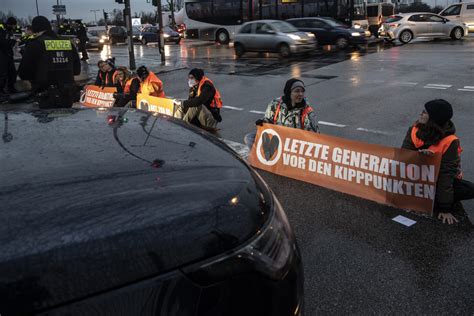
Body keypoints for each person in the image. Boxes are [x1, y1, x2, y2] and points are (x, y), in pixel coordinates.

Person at [402, 99, 474, 224]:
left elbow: (446, 175)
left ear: (434, 119)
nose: (420, 113)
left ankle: (434, 201)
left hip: (438, 180)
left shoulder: (450, 141)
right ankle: (426, 199)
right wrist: (418, 157)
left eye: (425, 112)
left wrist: (445, 208)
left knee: (469, 189)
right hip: (417, 178)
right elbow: (403, 157)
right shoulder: (413, 130)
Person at [18, 16, 81, 109]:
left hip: (44, 96)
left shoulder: (35, 44)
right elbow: (76, 70)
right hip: (67, 95)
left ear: (35, 29)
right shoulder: (67, 43)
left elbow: (23, 73)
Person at [244, 78, 319, 147]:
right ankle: (263, 158)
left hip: (295, 145)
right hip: (277, 140)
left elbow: (314, 135)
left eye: (302, 91)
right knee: (249, 138)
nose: (300, 94)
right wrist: (262, 122)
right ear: (289, 92)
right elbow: (269, 120)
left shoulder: (307, 110)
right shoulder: (276, 104)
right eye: (297, 91)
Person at [0, 17, 18, 94]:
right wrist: (13, 41)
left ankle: (11, 88)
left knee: (12, 73)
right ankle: (1, 91)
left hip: (9, 54)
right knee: (3, 74)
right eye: (14, 25)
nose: (15, 27)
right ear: (11, 24)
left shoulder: (9, 31)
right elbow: (4, 43)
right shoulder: (3, 31)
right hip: (3, 55)